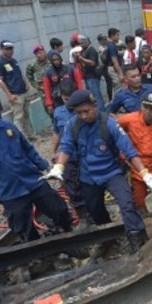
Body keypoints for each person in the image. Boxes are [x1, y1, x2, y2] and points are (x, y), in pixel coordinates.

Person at [0, 90, 72, 242]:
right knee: (22, 228)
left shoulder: (7, 126)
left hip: (33, 180)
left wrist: (46, 167)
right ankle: (41, 257)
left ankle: (68, 238)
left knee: (59, 209)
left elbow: (27, 148)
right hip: (10, 191)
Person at [49, 90, 151, 253]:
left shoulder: (109, 124)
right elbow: (66, 146)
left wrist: (145, 173)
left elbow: (128, 150)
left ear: (95, 107)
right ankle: (109, 238)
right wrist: (59, 167)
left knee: (127, 203)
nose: (83, 116)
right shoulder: (73, 125)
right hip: (88, 177)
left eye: (86, 111)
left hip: (111, 173)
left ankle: (135, 237)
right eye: (79, 112)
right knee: (94, 209)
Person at [49, 80, 88, 223]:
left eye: (70, 99)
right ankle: (83, 217)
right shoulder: (58, 112)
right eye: (66, 100)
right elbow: (56, 133)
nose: (69, 103)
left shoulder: (84, 110)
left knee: (89, 186)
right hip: (67, 157)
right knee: (72, 188)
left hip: (84, 155)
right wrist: (54, 151)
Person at [0, 41, 32, 135]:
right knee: (18, 117)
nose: (10, 51)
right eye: (7, 49)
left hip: (23, 91)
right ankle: (21, 138)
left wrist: (27, 84)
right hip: (15, 94)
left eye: (11, 48)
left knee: (26, 114)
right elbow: (0, 81)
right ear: (1, 50)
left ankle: (31, 135)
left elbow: (20, 74)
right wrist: (9, 95)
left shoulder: (13, 60)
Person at [42, 50, 82, 116]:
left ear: (60, 58)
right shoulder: (48, 72)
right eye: (53, 60)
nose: (56, 62)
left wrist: (81, 95)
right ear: (51, 61)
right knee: (62, 115)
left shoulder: (70, 68)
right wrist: (49, 103)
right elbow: (47, 89)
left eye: (57, 59)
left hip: (72, 96)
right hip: (58, 100)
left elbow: (79, 82)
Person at [76, 35, 104, 110]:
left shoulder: (91, 50)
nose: (81, 45)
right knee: (92, 96)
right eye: (80, 43)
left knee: (97, 96)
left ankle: (102, 112)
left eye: (82, 43)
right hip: (88, 77)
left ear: (87, 41)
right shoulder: (84, 50)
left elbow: (92, 63)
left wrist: (81, 58)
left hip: (93, 76)